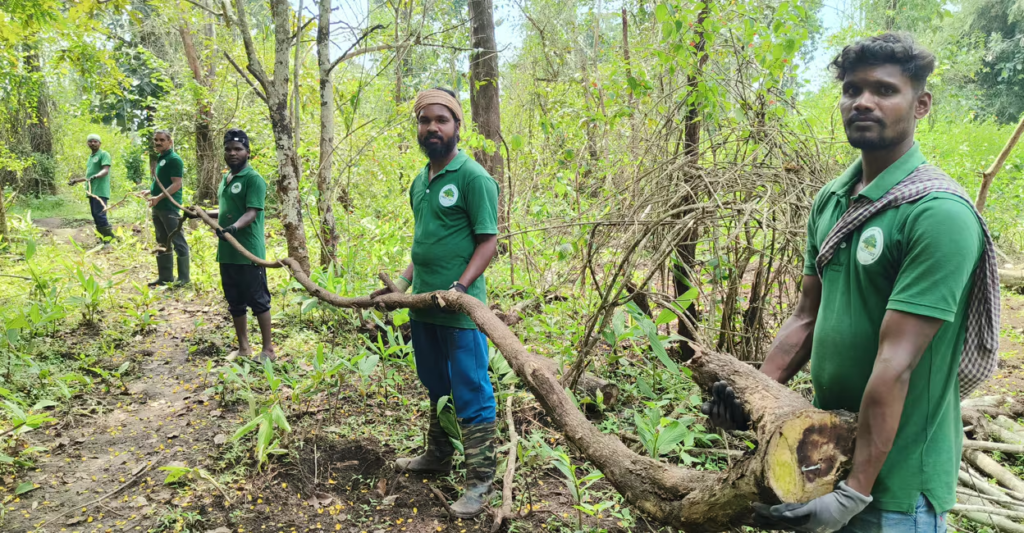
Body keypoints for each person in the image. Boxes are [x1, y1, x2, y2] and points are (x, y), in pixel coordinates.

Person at [703, 33, 999, 532]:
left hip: (895, 486)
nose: (863, 101)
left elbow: (896, 365)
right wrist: (755, 391)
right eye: (853, 89)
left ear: (921, 104)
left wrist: (854, 493)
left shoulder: (936, 214)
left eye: (884, 90)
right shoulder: (835, 199)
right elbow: (806, 316)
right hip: (827, 456)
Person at [370, 88, 501, 519]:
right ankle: (438, 455)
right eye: (425, 120)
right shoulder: (419, 181)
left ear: (457, 126)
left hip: (460, 312)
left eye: (441, 120)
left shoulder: (474, 178)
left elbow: (488, 242)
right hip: (422, 307)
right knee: (435, 385)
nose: (432, 127)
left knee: (472, 391)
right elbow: (422, 244)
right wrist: (401, 285)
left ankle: (479, 481)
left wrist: (460, 288)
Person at [188, 129, 275, 362]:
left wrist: (233, 229)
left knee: (258, 300)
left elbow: (251, 213)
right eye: (228, 149)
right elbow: (226, 210)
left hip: (248, 252)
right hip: (226, 252)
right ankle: (244, 348)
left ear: (248, 152)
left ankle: (268, 350)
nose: (232, 153)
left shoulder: (253, 179)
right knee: (235, 301)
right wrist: (201, 214)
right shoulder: (226, 178)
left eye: (237, 149)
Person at [147, 129, 191, 287]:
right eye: (156, 140)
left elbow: (177, 184)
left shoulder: (174, 159)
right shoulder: (161, 158)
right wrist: (150, 192)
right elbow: (163, 182)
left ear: (170, 142)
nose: (158, 143)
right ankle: (165, 277)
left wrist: (158, 197)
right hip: (158, 207)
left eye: (162, 140)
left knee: (178, 240)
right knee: (162, 240)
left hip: (169, 207)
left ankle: (184, 279)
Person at [83, 134, 115, 246]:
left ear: (100, 143)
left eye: (95, 141)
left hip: (100, 190)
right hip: (92, 191)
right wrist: (77, 180)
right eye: (90, 141)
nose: (93, 143)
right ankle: (102, 238)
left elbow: (105, 170)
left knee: (100, 214)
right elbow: (89, 175)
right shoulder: (90, 157)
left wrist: (96, 176)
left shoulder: (104, 154)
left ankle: (109, 240)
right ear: (87, 143)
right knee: (95, 214)